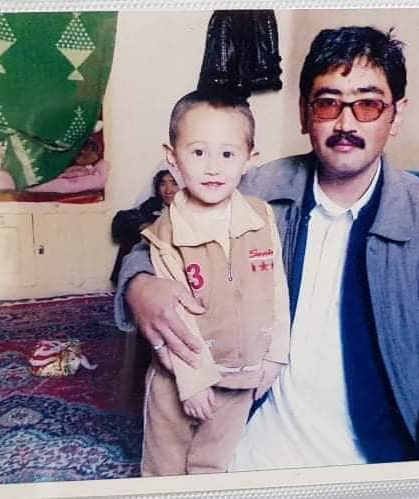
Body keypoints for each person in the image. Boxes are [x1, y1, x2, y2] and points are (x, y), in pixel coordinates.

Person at [116, 26, 419, 468]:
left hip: (375, 456)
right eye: (328, 102)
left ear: (396, 116)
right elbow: (160, 242)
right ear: (304, 114)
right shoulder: (255, 191)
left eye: (368, 104)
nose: (346, 123)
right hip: (244, 438)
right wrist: (139, 285)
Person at [137, 89, 290, 476]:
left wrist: (275, 355)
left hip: (241, 378)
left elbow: (277, 289)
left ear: (249, 160)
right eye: (198, 152)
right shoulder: (165, 233)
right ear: (173, 158)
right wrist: (192, 382)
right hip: (181, 379)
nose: (213, 168)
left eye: (227, 154)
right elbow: (175, 319)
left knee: (213, 464)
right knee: (165, 467)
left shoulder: (261, 218)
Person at [109, 169, 179, 284]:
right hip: (151, 256)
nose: (168, 190)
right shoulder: (153, 204)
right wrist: (143, 226)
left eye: (174, 183)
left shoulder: (191, 207)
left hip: (177, 259)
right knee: (135, 251)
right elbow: (121, 220)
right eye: (163, 184)